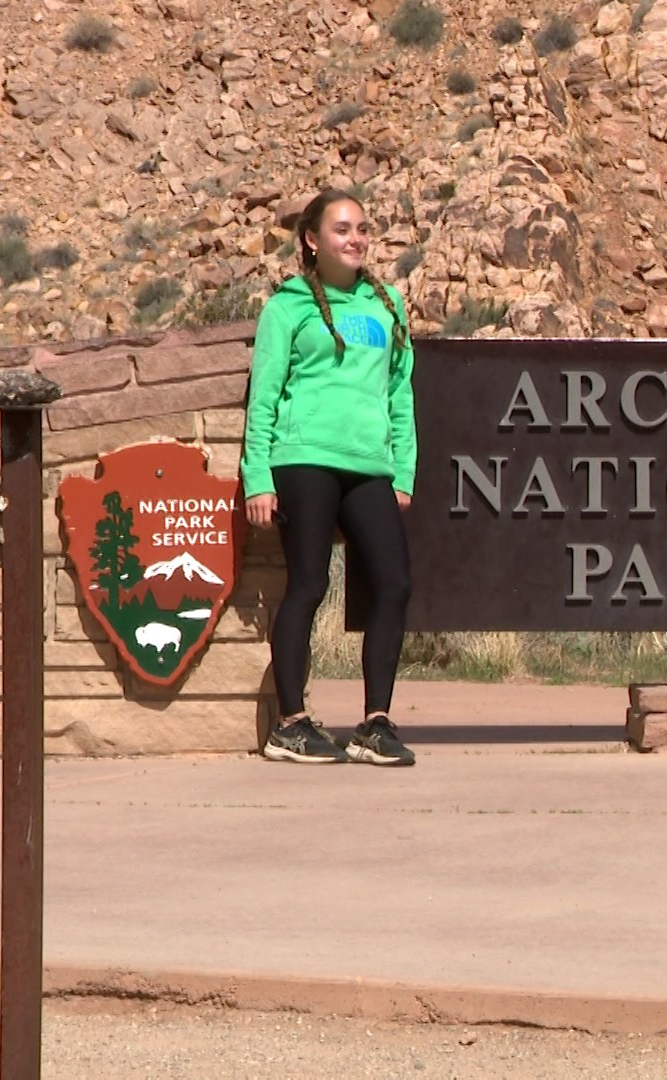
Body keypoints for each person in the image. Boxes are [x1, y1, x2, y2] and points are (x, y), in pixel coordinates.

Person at [241, 189, 418, 767]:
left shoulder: (386, 306)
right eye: (342, 229)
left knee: (394, 584)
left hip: (368, 467)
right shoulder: (286, 308)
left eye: (363, 229)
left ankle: (375, 724)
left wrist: (404, 471)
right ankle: (289, 724)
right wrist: (258, 477)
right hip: (304, 459)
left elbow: (400, 395)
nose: (356, 239)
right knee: (308, 585)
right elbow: (263, 397)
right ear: (313, 240)